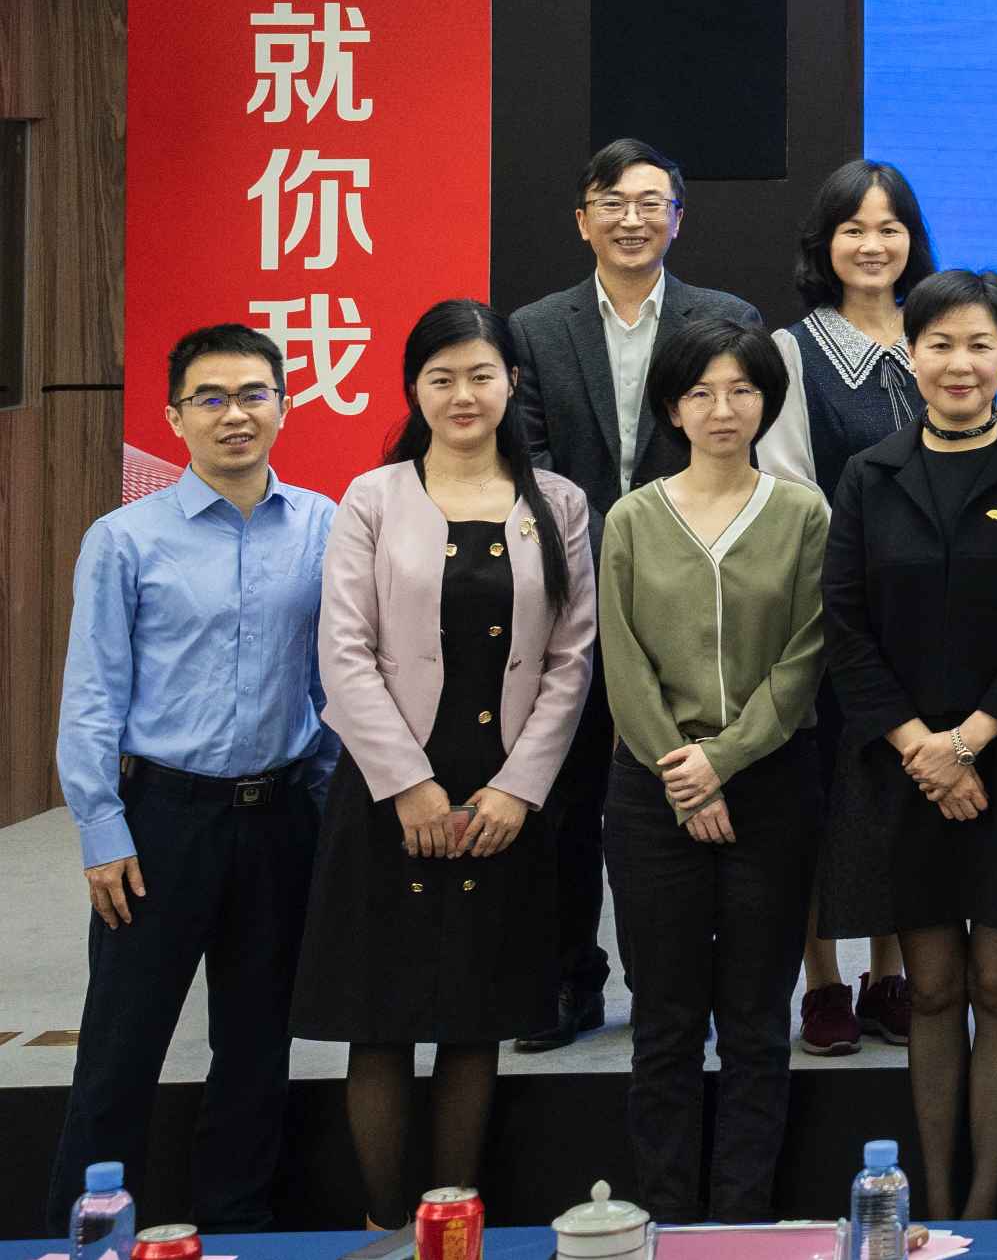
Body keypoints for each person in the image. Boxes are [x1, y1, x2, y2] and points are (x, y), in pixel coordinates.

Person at [291, 301, 597, 1231]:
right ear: (414, 389)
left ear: (511, 383)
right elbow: (342, 652)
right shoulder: (373, 497)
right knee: (379, 1025)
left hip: (506, 799)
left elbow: (572, 659)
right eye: (441, 377)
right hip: (387, 795)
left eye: (481, 375)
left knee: (477, 1020)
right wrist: (409, 786)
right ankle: (386, 1227)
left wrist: (517, 790)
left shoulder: (559, 502)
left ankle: (453, 1230)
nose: (463, 394)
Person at [45, 326, 338, 1233]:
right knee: (120, 1048)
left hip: (281, 814)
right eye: (209, 397)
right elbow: (92, 692)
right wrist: (101, 828)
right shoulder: (124, 537)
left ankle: (239, 1227)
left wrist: (329, 808)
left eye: (253, 393)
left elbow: (334, 679)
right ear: (175, 418)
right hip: (161, 820)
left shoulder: (324, 524)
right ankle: (84, 1234)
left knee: (256, 1048)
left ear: (284, 405)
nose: (233, 414)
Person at [817, 269, 997, 1221]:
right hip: (904, 771)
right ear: (910, 351)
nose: (960, 363)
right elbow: (845, 624)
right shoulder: (870, 472)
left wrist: (967, 742)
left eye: (980, 344)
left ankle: (985, 1206)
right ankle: (927, 1199)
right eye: (940, 343)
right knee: (930, 987)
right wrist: (923, 749)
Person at [511, 138, 763, 1052]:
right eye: (611, 202)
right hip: (569, 591)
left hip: (698, 595)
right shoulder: (535, 328)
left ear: (677, 218)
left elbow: (739, 446)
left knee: (691, 788)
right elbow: (529, 458)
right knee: (567, 792)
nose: (631, 218)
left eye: (650, 202)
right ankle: (570, 977)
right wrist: (602, 552)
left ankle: (686, 986)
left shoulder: (724, 316)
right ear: (582, 220)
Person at [598, 318, 829, 1222]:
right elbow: (621, 661)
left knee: (757, 1023)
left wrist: (723, 760)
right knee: (663, 1022)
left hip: (771, 784)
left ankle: (739, 1222)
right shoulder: (631, 517)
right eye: (700, 392)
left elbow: (806, 654)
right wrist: (682, 775)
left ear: (766, 402)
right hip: (653, 790)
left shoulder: (803, 513)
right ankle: (663, 1218)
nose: (721, 409)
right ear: (671, 407)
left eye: (741, 390)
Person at [756, 158, 930, 1057]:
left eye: (889, 226)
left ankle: (887, 972)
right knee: (824, 799)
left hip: (930, 619)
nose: (872, 244)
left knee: (902, 797)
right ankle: (822, 978)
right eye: (853, 228)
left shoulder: (936, 336)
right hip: (831, 612)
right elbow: (791, 486)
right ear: (823, 243)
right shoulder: (793, 350)